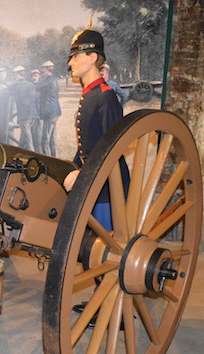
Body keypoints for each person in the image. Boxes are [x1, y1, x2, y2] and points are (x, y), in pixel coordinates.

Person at [64, 28, 130, 231]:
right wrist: (72, 168)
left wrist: (82, 173)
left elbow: (110, 147)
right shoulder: (90, 95)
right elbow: (87, 145)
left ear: (92, 57)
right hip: (92, 180)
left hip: (107, 187)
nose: (70, 63)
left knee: (101, 249)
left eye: (75, 56)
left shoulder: (105, 96)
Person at [7, 65, 38, 151]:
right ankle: (17, 152)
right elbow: (33, 98)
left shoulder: (16, 85)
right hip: (33, 115)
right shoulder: (30, 84)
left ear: (17, 74)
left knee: (28, 141)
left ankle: (33, 156)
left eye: (15, 74)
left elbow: (5, 92)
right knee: (24, 137)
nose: (14, 76)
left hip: (24, 116)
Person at [38, 60, 61, 157]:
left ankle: (48, 161)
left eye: (43, 69)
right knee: (52, 140)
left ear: (48, 69)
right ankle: (55, 158)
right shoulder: (54, 79)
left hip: (49, 113)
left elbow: (37, 87)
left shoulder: (47, 81)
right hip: (55, 112)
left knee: (45, 141)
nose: (42, 71)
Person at [30, 69, 43, 153]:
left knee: (38, 138)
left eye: (36, 75)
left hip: (39, 115)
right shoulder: (30, 86)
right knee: (31, 136)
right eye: (33, 75)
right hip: (31, 115)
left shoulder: (41, 87)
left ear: (39, 76)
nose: (34, 77)